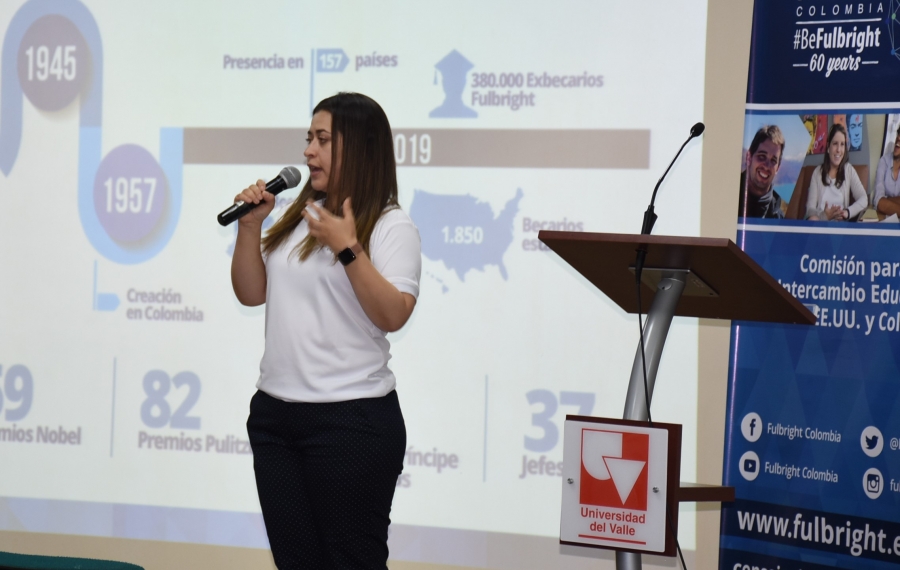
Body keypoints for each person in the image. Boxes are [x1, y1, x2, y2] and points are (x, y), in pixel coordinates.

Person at [231, 92, 421, 569]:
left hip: (351, 422)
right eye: (308, 139)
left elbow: (394, 314)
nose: (308, 151)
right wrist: (250, 228)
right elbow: (252, 294)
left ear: (358, 148)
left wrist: (348, 248)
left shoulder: (391, 225)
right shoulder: (300, 216)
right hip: (275, 418)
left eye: (322, 140)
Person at [805, 123, 868, 221]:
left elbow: (864, 199)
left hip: (840, 226)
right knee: (812, 219)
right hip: (820, 224)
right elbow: (810, 209)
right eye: (835, 144)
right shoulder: (817, 172)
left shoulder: (849, 170)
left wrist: (847, 212)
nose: (839, 150)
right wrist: (825, 216)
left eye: (842, 144)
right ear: (828, 147)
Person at [739, 125, 785, 219]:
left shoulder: (778, 220)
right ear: (748, 158)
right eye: (762, 156)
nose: (767, 166)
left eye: (773, 161)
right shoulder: (726, 198)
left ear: (778, 168)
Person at [873, 123, 900, 218]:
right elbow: (879, 201)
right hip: (882, 217)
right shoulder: (884, 161)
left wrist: (887, 200)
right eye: (898, 133)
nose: (898, 138)